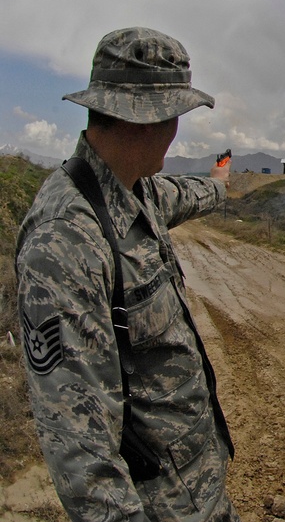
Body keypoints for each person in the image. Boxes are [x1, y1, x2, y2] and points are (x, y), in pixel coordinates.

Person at [16, 27, 240, 521]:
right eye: (176, 115)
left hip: (194, 487)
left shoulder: (136, 190)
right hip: (155, 505)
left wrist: (219, 183)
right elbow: (81, 450)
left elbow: (188, 193)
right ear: (148, 120)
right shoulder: (66, 240)